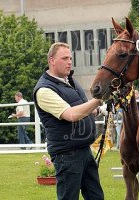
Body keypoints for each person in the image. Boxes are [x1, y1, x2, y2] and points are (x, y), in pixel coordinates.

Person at [33, 42, 104, 200]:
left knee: (96, 197)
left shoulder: (70, 80)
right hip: (67, 155)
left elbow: (83, 107)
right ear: (51, 60)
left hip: (84, 150)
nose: (70, 62)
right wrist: (99, 99)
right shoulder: (44, 90)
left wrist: (101, 109)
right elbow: (71, 114)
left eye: (70, 58)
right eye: (65, 58)